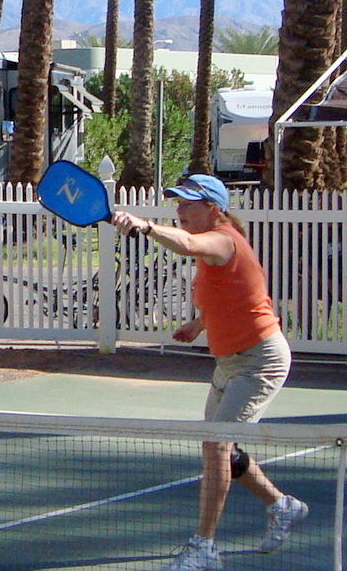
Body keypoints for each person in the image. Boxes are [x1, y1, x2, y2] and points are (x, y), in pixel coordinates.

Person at [112, 174, 307, 571]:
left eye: (188, 204)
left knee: (215, 446)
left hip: (260, 360)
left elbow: (186, 244)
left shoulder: (223, 239)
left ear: (213, 209)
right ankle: (282, 506)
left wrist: (146, 226)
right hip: (230, 360)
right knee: (220, 446)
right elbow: (236, 292)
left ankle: (204, 547)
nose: (180, 211)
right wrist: (200, 324)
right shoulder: (217, 248)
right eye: (177, 204)